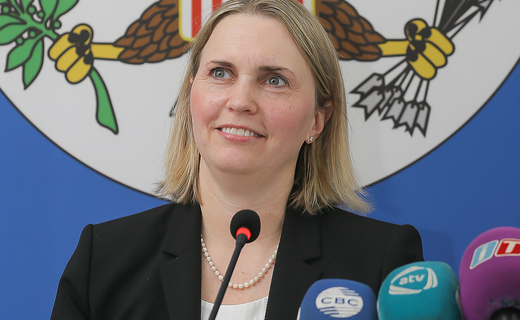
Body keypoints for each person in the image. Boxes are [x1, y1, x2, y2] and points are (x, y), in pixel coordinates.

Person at [50, 0, 423, 319]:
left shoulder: (380, 264)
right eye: (220, 73)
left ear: (317, 119)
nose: (240, 100)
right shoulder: (104, 260)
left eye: (273, 80)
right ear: (190, 95)